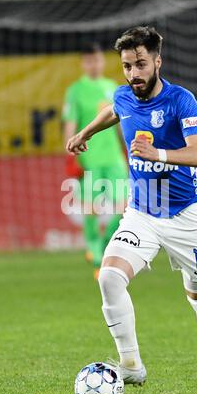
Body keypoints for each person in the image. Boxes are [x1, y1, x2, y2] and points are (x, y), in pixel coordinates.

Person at [66, 26, 197, 394]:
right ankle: (131, 366)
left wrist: (155, 154)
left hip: (187, 217)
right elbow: (114, 110)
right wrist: (86, 133)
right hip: (143, 213)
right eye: (126, 66)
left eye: (140, 64)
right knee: (108, 277)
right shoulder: (124, 95)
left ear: (157, 61)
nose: (133, 73)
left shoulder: (181, 100)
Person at [62, 43, 127, 279]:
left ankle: (103, 244)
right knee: (90, 209)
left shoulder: (112, 87)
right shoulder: (76, 90)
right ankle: (96, 252)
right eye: (89, 61)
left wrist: (127, 150)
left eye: (97, 60)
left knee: (126, 208)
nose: (94, 65)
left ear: (102, 61)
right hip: (89, 158)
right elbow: (69, 125)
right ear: (83, 63)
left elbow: (120, 124)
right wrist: (71, 156)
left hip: (114, 158)